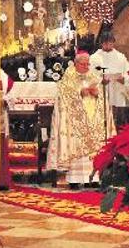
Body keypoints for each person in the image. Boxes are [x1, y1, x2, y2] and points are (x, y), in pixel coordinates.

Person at [46, 51, 114, 189]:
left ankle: (93, 178)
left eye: (88, 64)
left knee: (93, 149)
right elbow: (63, 96)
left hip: (92, 118)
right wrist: (79, 93)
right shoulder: (68, 77)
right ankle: (74, 180)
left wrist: (97, 94)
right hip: (75, 120)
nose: (86, 66)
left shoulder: (93, 76)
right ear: (76, 63)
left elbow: (101, 95)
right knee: (76, 147)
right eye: (83, 64)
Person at [90, 33, 129, 128]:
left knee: (118, 118)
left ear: (113, 43)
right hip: (102, 89)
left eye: (110, 43)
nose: (108, 45)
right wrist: (100, 80)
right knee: (102, 117)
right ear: (101, 43)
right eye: (106, 43)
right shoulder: (94, 58)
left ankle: (116, 129)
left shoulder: (120, 57)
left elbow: (128, 71)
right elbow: (90, 73)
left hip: (117, 89)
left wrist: (123, 79)